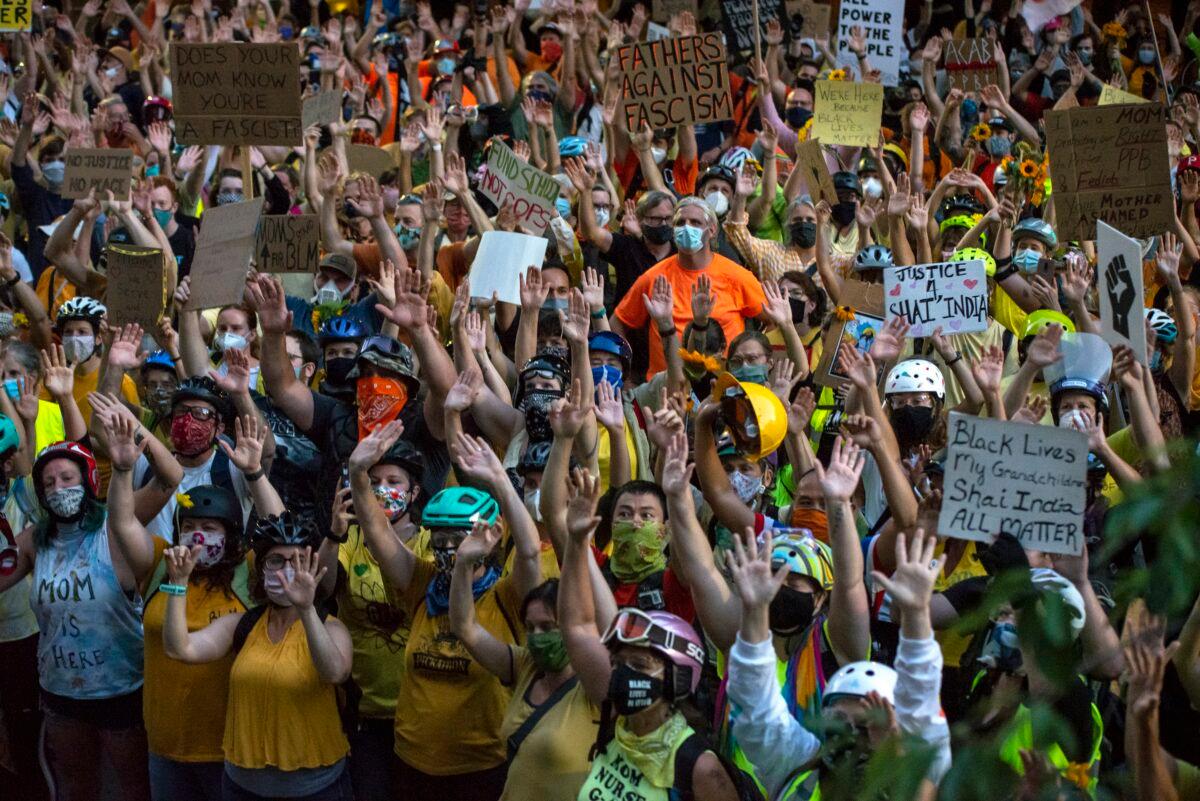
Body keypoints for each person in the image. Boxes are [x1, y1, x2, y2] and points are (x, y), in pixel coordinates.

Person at [162, 510, 353, 801]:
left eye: (298, 560)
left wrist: (306, 608)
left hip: (315, 789)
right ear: (261, 569)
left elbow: (334, 673)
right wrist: (178, 583)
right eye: (276, 560)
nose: (287, 570)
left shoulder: (332, 628)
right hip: (242, 788)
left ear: (313, 568)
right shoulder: (242, 625)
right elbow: (180, 648)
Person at [0, 441, 153, 801]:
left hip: (122, 688)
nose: (58, 489)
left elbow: (167, 481)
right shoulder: (33, 543)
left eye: (67, 478)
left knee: (134, 787)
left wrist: (124, 467)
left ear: (87, 481)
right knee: (75, 785)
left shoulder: (115, 532)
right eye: (49, 483)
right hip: (61, 692)